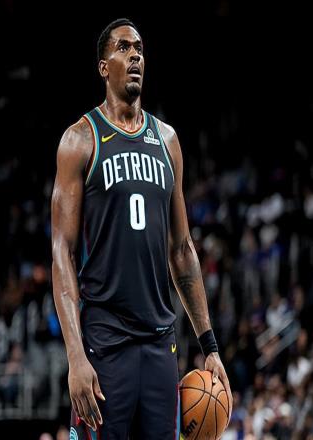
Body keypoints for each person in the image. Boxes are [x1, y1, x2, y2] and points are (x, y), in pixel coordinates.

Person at [51, 18, 232, 439]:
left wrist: (209, 346)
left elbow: (182, 250)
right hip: (104, 342)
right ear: (103, 67)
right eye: (123, 48)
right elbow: (62, 251)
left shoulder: (167, 141)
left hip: (159, 343)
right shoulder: (80, 140)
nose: (135, 55)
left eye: (140, 49)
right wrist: (75, 356)